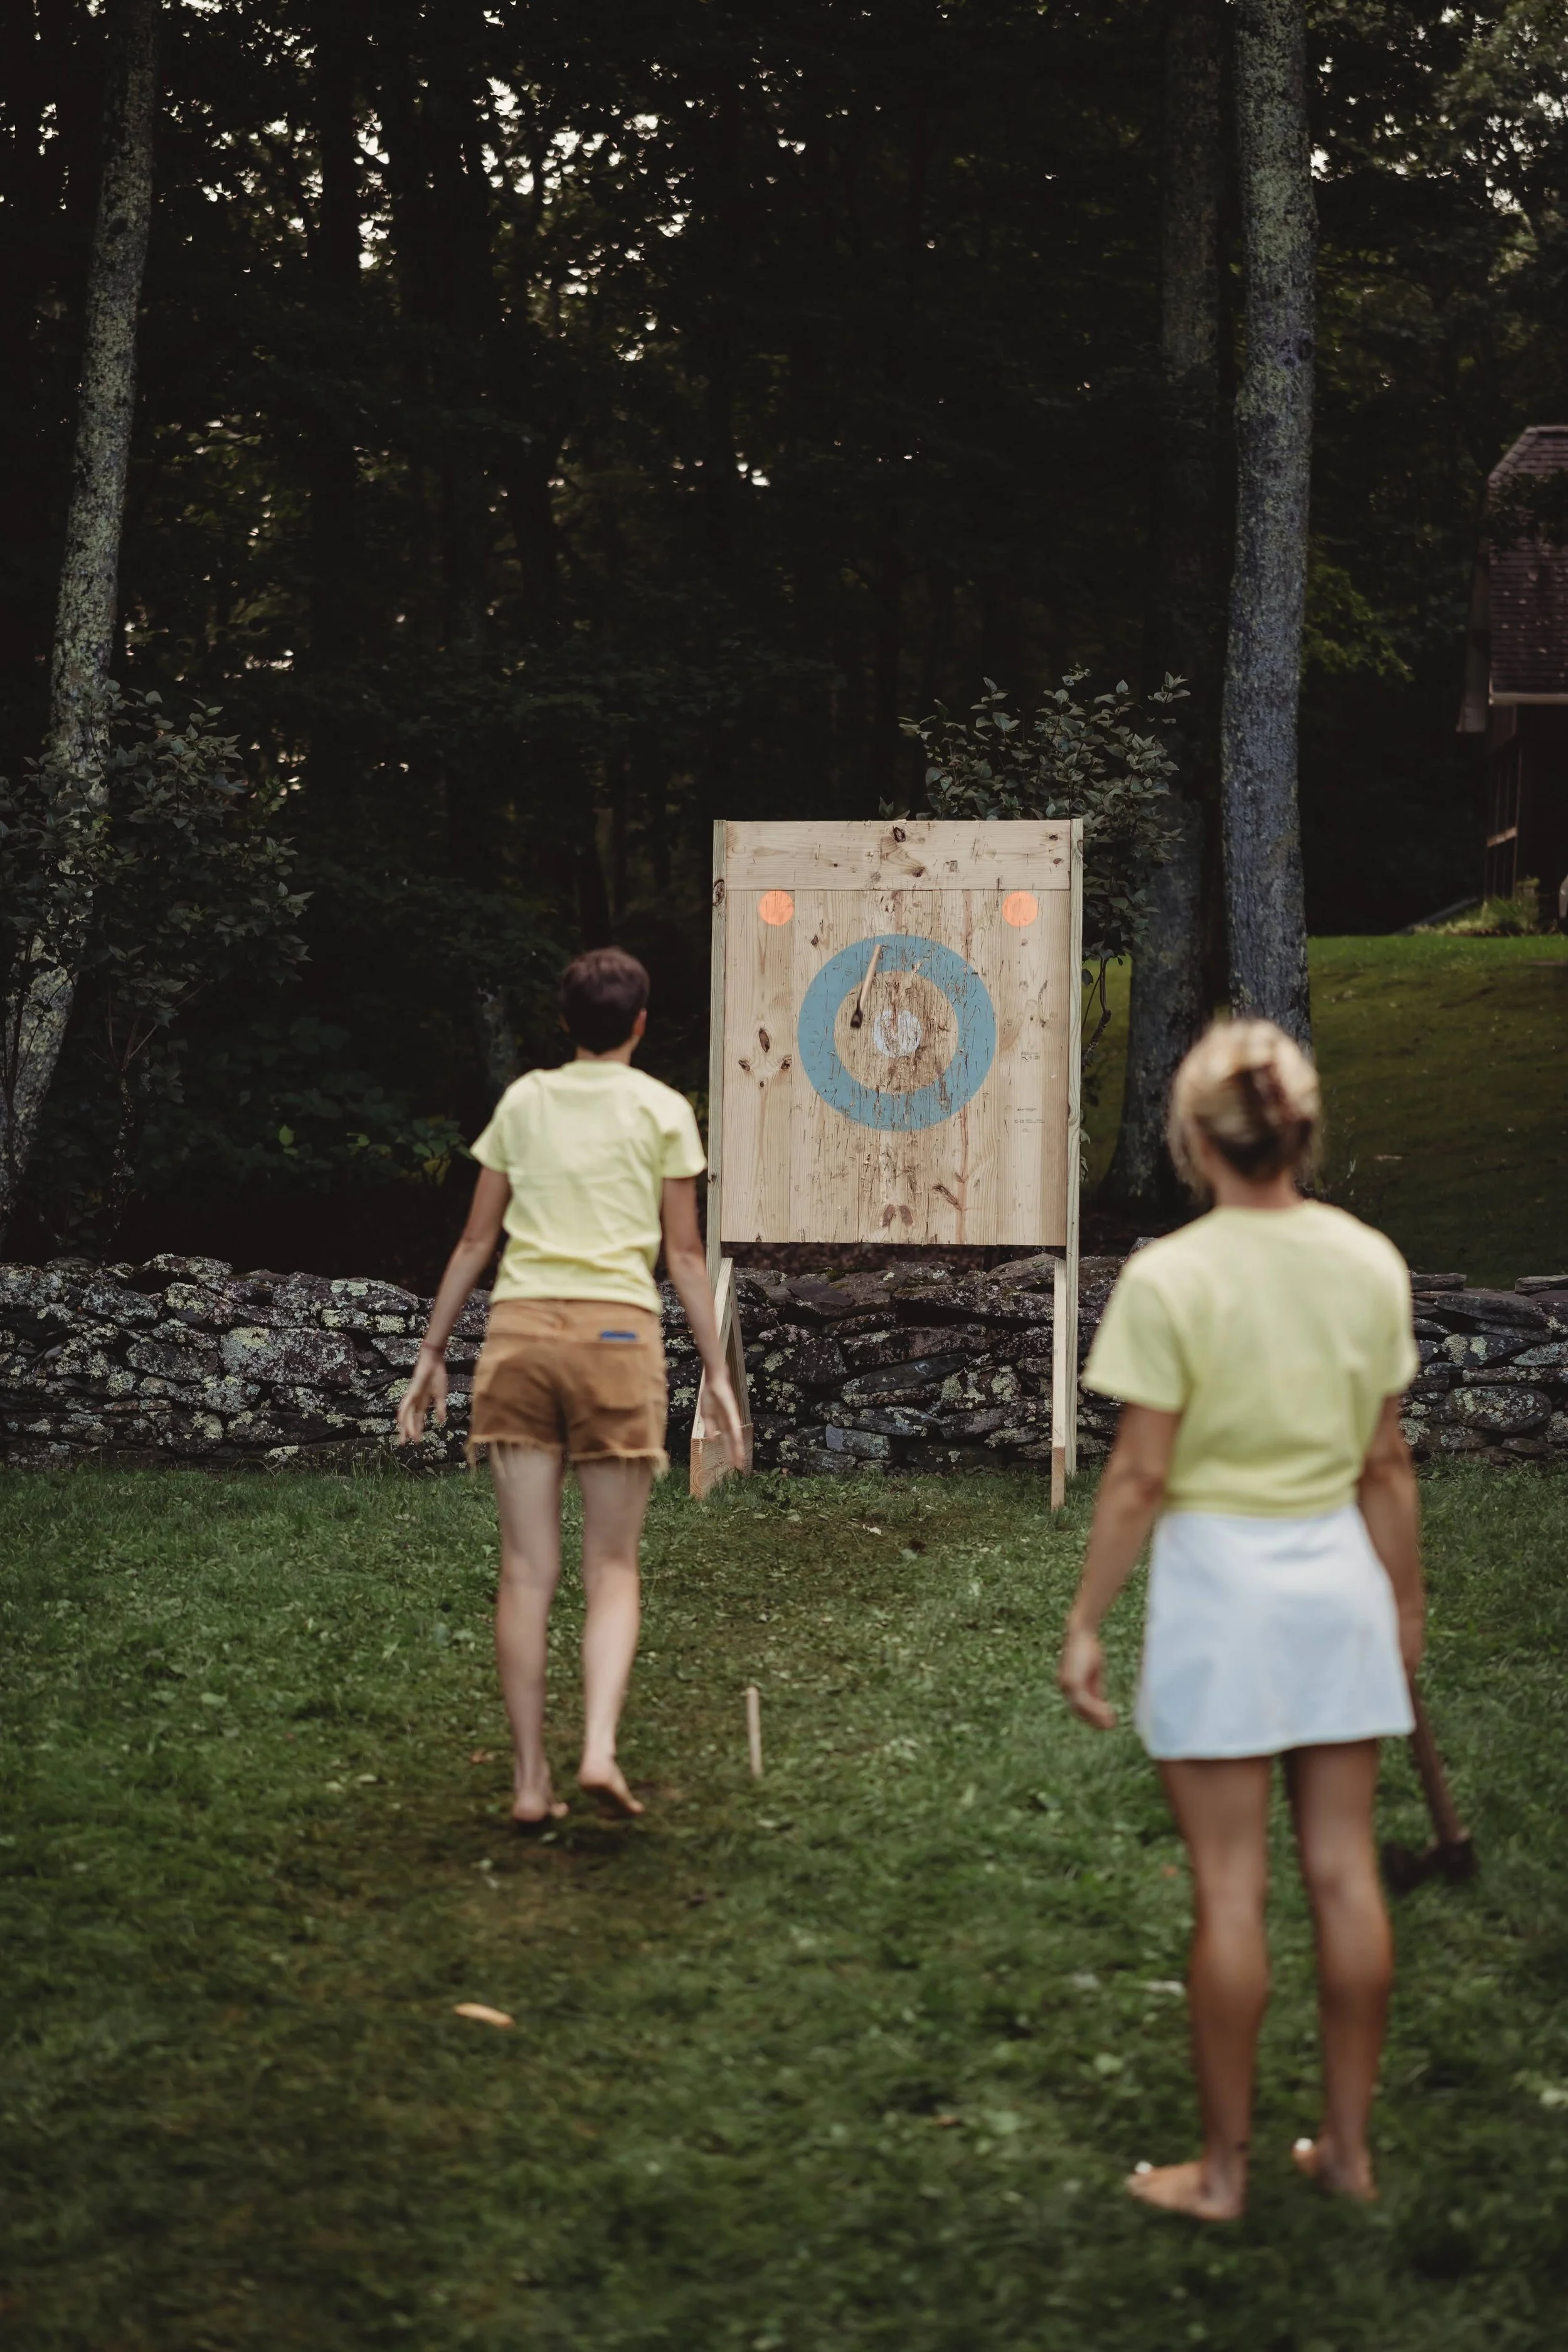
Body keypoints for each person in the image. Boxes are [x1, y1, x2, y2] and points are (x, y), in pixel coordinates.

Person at [1057, 1017, 1424, 2221]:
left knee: (1230, 1887)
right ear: (1299, 1131)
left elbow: (1138, 1480)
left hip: (1221, 1588)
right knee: (1343, 1872)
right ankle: (1353, 2154)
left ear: (1194, 1142)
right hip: (1334, 1584)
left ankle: (1223, 2172)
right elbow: (1387, 1468)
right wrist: (1402, 1608)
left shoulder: (1172, 1275)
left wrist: (1086, 1621)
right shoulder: (1369, 1259)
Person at [397, 946, 746, 1824]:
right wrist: (715, 1367)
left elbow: (476, 1242)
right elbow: (686, 1255)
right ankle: (596, 1748)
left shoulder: (525, 1100)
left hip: (517, 1338)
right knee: (613, 1564)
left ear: (564, 1023)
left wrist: (432, 1351)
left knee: (524, 1572)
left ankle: (527, 1782)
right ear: (639, 1023)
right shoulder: (665, 1110)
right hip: (618, 1338)